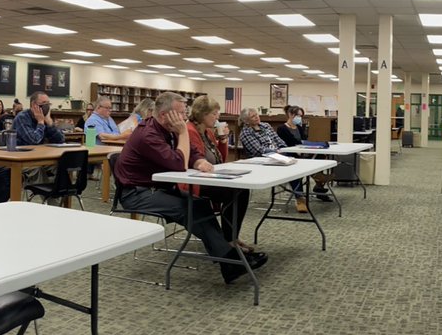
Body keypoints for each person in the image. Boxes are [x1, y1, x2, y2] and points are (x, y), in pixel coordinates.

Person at [115, 92, 266, 284]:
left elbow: (191, 153)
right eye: (180, 113)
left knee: (200, 205)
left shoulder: (167, 129)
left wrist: (199, 160)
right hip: (136, 193)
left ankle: (229, 261)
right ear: (164, 115)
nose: (184, 117)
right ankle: (230, 261)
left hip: (160, 189)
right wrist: (184, 132)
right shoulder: (148, 134)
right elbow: (178, 163)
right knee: (190, 207)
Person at [186, 95, 263, 259]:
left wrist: (223, 140)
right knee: (235, 192)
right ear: (202, 114)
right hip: (195, 181)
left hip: (210, 176)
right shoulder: (191, 131)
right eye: (214, 114)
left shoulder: (207, 132)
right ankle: (229, 239)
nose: (217, 117)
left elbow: (220, 158)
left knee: (241, 189)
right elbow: (197, 160)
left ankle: (232, 237)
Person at [239, 107, 308, 213]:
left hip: (278, 155)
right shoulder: (245, 133)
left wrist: (281, 150)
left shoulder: (266, 126)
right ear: (246, 121)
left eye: (256, 114)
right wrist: (276, 152)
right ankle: (300, 198)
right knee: (290, 165)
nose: (257, 117)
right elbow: (258, 150)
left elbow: (279, 141)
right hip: (261, 160)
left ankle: (300, 196)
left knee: (293, 163)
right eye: (253, 116)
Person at [276, 105, 332, 202]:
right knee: (303, 166)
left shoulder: (299, 127)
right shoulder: (282, 129)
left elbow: (304, 140)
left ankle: (319, 185)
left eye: (301, 116)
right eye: (298, 115)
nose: (300, 118)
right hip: (291, 155)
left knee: (320, 156)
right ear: (290, 114)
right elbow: (289, 143)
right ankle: (316, 182)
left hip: (302, 152)